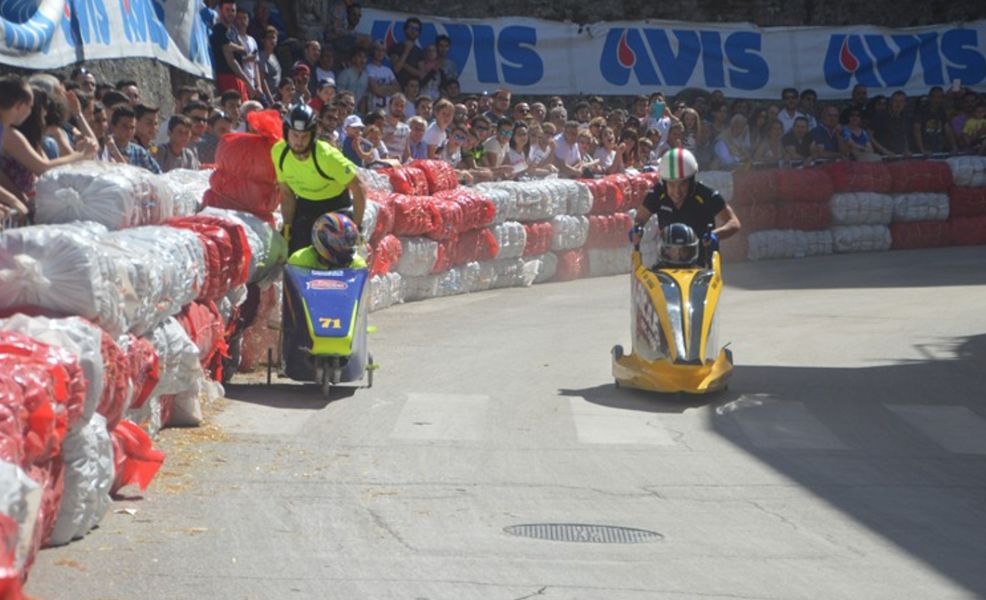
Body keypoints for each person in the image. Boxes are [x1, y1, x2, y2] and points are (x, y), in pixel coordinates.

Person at [272, 104, 367, 255]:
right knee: (296, 255)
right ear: (286, 133)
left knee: (336, 256)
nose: (299, 141)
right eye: (294, 135)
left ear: (312, 135)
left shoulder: (326, 156)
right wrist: (287, 227)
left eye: (304, 136)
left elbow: (359, 187)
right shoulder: (278, 152)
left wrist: (356, 226)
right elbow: (287, 194)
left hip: (336, 206)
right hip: (305, 205)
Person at [631, 148, 741, 268]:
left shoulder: (707, 195)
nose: (677, 192)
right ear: (664, 182)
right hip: (667, 261)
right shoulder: (656, 193)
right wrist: (637, 229)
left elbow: (734, 222)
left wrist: (715, 235)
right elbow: (640, 219)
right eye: (671, 184)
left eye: (682, 184)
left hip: (702, 264)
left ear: (692, 181)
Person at [286, 212, 366, 270]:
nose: (347, 248)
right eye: (341, 243)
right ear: (323, 239)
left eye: (349, 242)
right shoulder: (300, 261)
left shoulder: (357, 264)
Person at [108, 105, 160, 173]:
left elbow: (158, 174)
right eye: (125, 126)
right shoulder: (105, 150)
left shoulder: (139, 152)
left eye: (132, 127)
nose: (129, 131)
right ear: (113, 126)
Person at [913, 86, 956, 155]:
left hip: (939, 149)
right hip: (924, 151)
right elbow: (916, 130)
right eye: (933, 96)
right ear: (929, 97)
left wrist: (954, 147)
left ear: (942, 99)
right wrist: (922, 150)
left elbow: (948, 129)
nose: (936, 100)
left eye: (939, 97)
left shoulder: (942, 111)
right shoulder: (921, 110)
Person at [390, 17, 425, 88]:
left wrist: (404, 64)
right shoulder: (396, 47)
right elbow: (396, 69)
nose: (413, 31)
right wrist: (406, 50)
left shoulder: (420, 51)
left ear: (419, 33)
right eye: (411, 28)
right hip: (397, 87)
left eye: (416, 29)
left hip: (413, 89)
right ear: (406, 29)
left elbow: (421, 74)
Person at [366, 41, 399, 112]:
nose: (380, 53)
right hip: (373, 109)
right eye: (377, 50)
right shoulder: (368, 68)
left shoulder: (388, 70)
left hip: (388, 110)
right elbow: (375, 90)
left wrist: (382, 87)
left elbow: (397, 90)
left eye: (383, 50)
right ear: (373, 51)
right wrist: (389, 88)